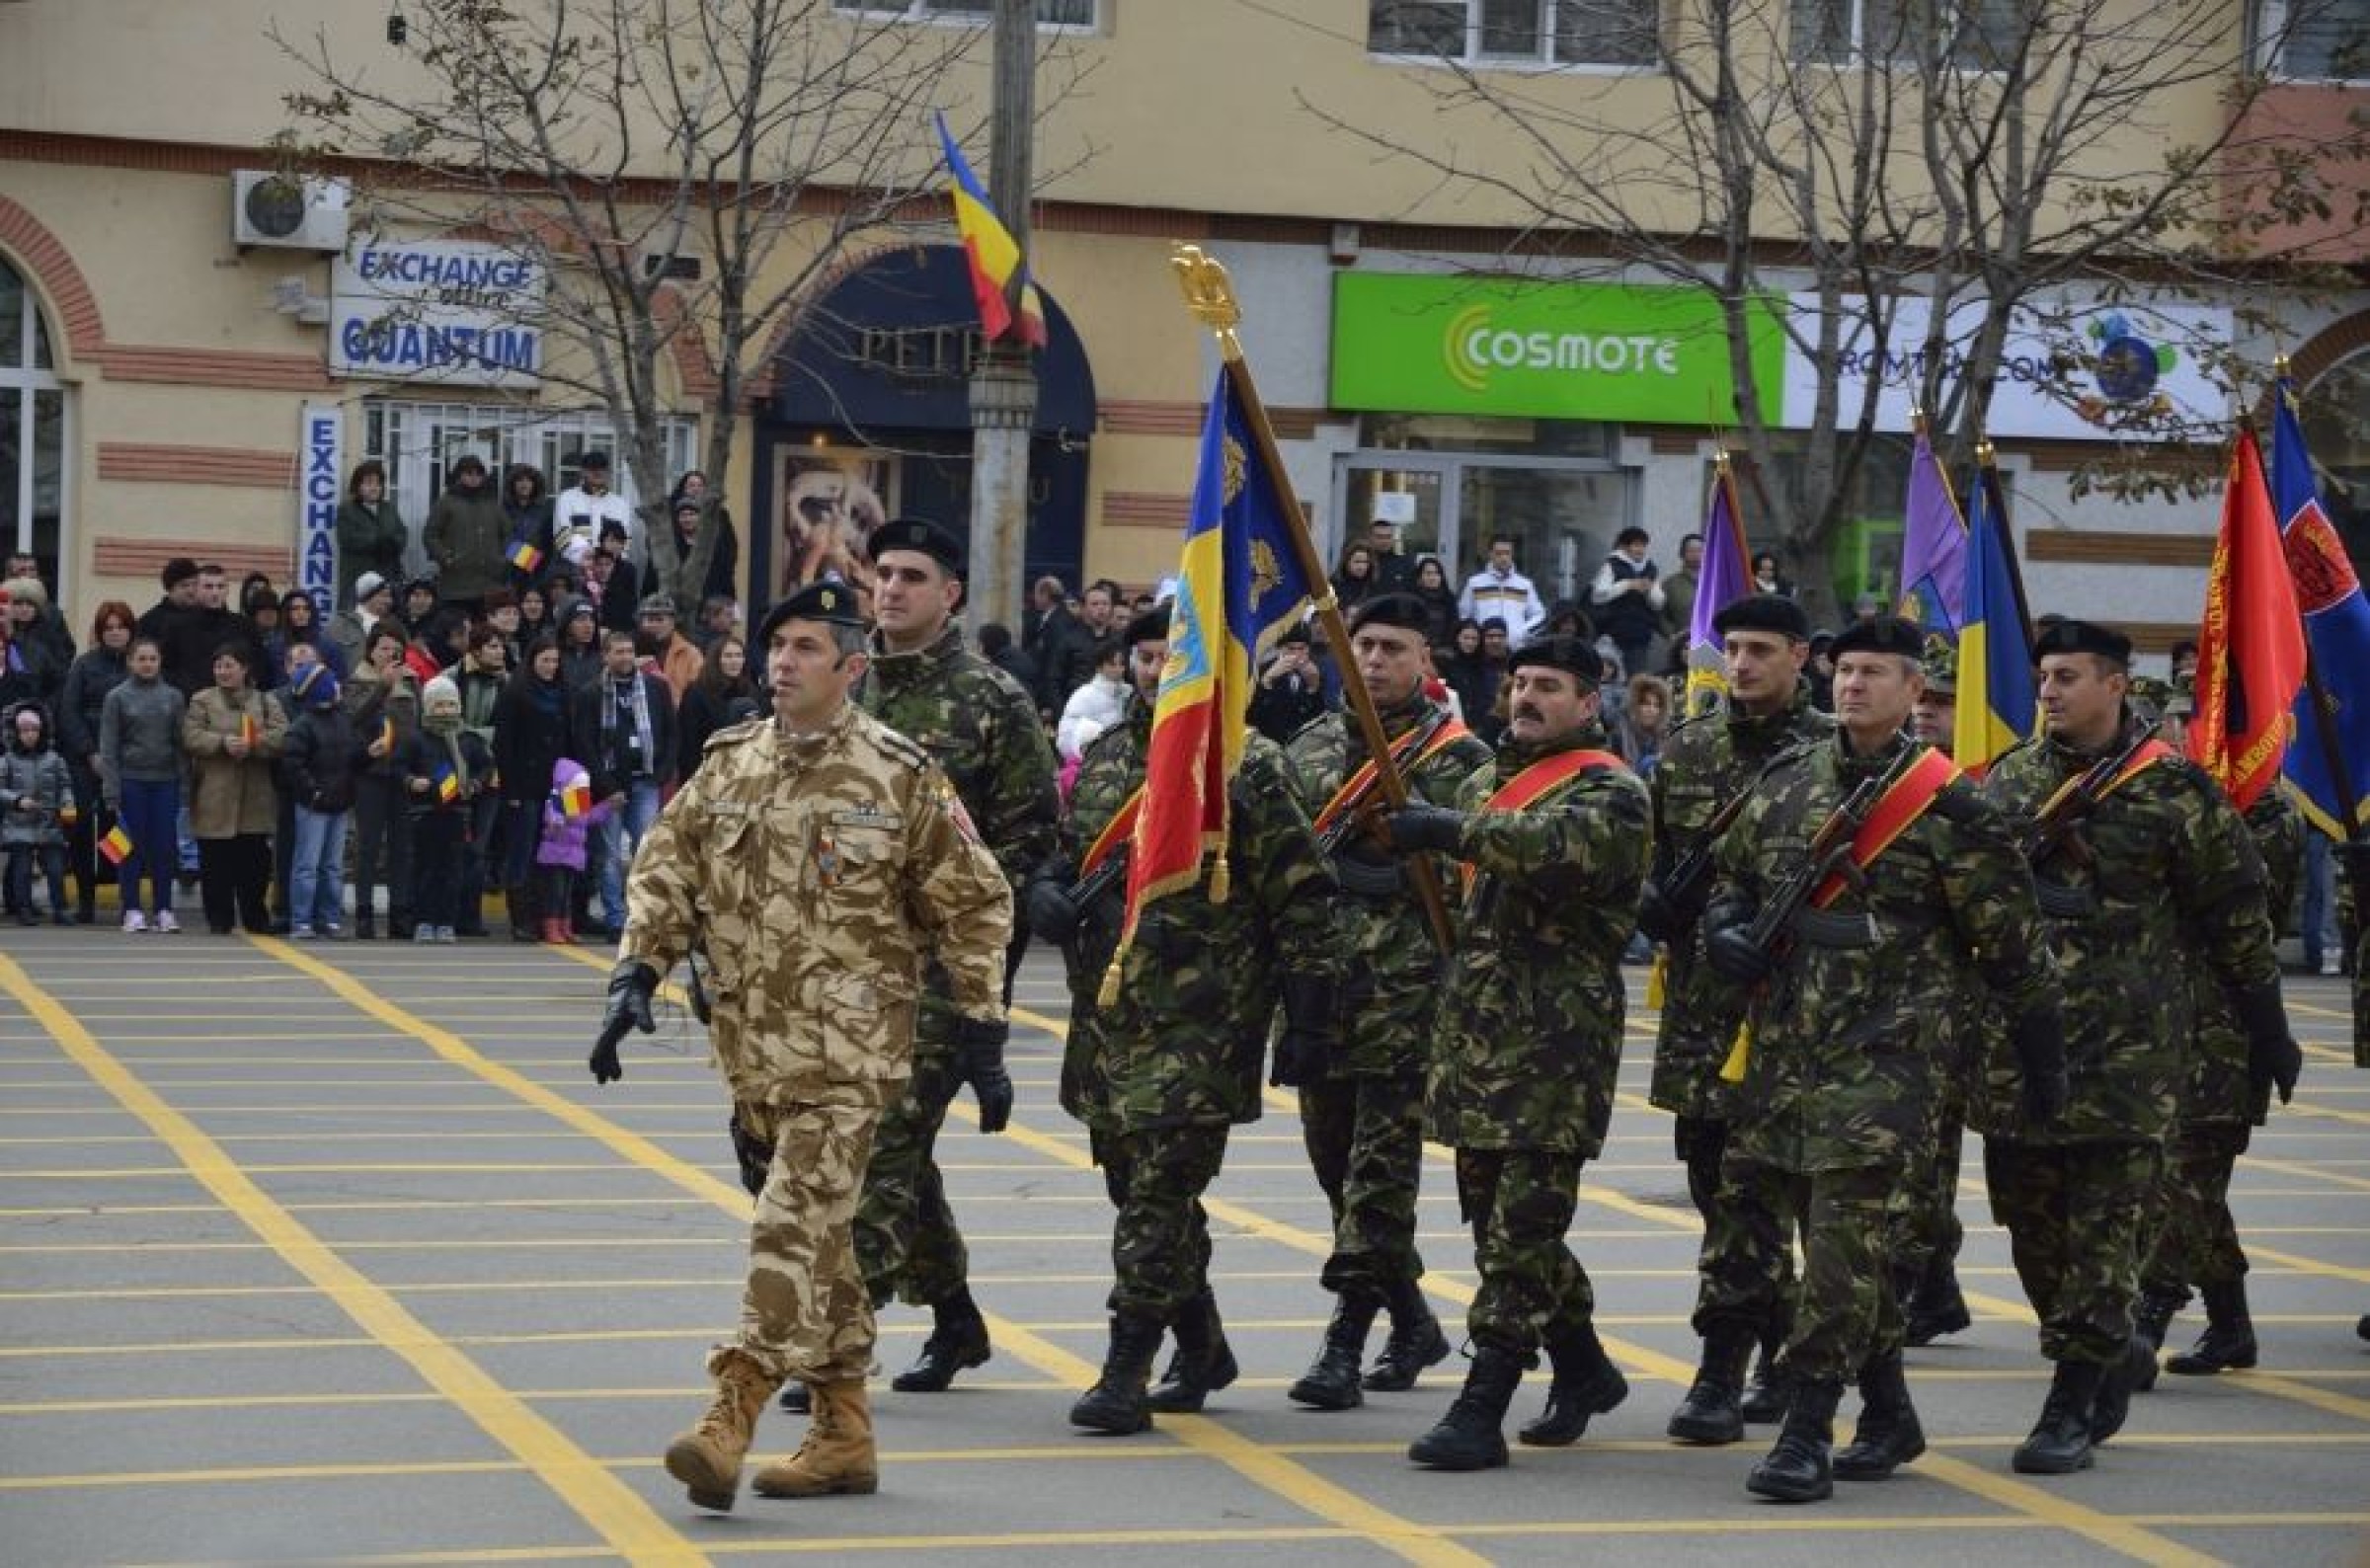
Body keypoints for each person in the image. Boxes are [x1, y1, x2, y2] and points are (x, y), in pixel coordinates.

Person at [588, 579, 1012, 1512]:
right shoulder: (730, 761)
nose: (783, 661)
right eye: (777, 645)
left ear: (851, 667)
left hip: (848, 1058)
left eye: (808, 647)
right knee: (823, 1247)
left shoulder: (899, 774)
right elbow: (668, 866)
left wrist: (984, 1027)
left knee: (788, 1228)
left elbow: (975, 899)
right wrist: (636, 973)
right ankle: (843, 1432)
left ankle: (728, 1415)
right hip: (753, 1055)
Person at [1699, 614, 2066, 1503]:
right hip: (1785, 1051)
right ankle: (1892, 1411)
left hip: (1890, 1059)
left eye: (1875, 673)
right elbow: (1732, 881)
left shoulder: (1951, 806)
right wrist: (1726, 935)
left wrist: (2043, 1066)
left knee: (1840, 1247)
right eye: (1846, 670)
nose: (1853, 685)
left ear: (1914, 692)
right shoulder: (1786, 783)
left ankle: (1804, 1428)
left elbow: (2013, 949)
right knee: (1796, 1238)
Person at [1976, 618, 2296, 1475]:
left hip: (2130, 1063)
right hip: (2020, 1062)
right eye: (2044, 675)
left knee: (2108, 1235)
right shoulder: (2008, 785)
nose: (2048, 690)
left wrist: (2268, 1030)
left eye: (2068, 676)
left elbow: (2237, 918)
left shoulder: (2175, 793)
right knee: (2032, 1234)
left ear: (2117, 685)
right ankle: (2101, 1349)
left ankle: (2071, 1402)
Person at [1024, 606, 1338, 1437]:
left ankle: (1126, 1367)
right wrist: (1047, 892)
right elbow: (1071, 851)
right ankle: (1201, 1341)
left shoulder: (1247, 765)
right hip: (1110, 1017)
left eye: (1180, 656)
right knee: (1135, 1188)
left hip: (1205, 1021)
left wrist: (1307, 1022)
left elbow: (1304, 900)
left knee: (1158, 1195)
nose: (1163, 670)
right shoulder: (1105, 758)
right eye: (1149, 656)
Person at [1374, 631, 1649, 1470]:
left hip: (1555, 1046)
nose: (1527, 698)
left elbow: (1549, 851)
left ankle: (1483, 1400)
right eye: (1521, 683)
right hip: (1479, 1039)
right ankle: (1585, 1366)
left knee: (1524, 1226)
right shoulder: (1496, 776)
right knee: (1501, 1227)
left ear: (1587, 702)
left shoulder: (1612, 791)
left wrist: (1445, 828)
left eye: (1550, 686)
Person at [831, 518, 1056, 1409]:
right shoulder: (841, 689)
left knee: (881, 1149)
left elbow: (1030, 842)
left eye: (912, 576)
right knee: (895, 1156)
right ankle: (956, 1316)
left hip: (935, 970)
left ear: (950, 593)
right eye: (882, 574)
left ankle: (840, 1343)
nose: (890, 590)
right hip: (840, 964)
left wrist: (982, 1001)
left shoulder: (992, 699)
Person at [1277, 593, 1491, 1414]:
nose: (1372, 661)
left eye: (1392, 648)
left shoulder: (1458, 758)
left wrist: (1414, 861)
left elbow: (1477, 867)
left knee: (1380, 1174)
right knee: (1335, 1167)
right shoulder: (1314, 746)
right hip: (1323, 992)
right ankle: (1410, 1318)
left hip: (1411, 999)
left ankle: (1343, 1343)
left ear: (1426, 662)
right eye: (1361, 645)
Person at [1640, 592, 1831, 1446]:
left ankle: (1748, 1364)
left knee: (1786, 1197)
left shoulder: (1836, 755)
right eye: (1733, 648)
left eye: (1760, 649)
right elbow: (1648, 858)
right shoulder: (1685, 751)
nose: (1742, 664)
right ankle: (1751, 1354)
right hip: (1705, 1013)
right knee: (1721, 1191)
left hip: (1805, 1014)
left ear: (1801, 655)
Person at [2132, 726, 2303, 1386]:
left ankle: (2147, 1314)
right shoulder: (2173, 802)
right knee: (2191, 1183)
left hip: (2226, 1023)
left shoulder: (2265, 813)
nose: (2182, 743)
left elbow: (2233, 909)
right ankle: (2231, 1321)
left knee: (2188, 1175)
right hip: (2158, 1020)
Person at [572, 628, 675, 940]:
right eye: (618, 652)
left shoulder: (657, 689)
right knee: (610, 855)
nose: (626, 657)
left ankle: (643, 916)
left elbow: (672, 734)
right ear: (605, 656)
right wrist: (605, 787)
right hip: (608, 786)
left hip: (646, 782)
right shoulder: (590, 693)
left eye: (629, 651)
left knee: (647, 851)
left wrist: (661, 775)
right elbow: (585, 743)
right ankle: (616, 918)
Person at [181, 642, 286, 935]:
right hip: (215, 794)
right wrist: (223, 743)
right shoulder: (201, 700)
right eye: (218, 666)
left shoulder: (266, 701)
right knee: (215, 864)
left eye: (229, 665)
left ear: (244, 668)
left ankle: (255, 917)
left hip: (256, 796)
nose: (223, 671)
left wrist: (255, 744)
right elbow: (191, 736)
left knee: (254, 865)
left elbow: (282, 736)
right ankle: (219, 919)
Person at [98, 637, 186, 932]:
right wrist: (111, 789)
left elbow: (180, 744)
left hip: (165, 782)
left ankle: (164, 909)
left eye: (153, 659)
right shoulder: (117, 697)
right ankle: (132, 908)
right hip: (130, 782)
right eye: (141, 659)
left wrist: (184, 784)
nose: (147, 664)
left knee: (164, 848)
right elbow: (108, 747)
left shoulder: (173, 697)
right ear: (130, 662)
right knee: (127, 848)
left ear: (160, 662)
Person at [402, 674, 497, 943]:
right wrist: (411, 780)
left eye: (451, 704)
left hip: (458, 813)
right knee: (425, 869)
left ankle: (446, 921)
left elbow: (486, 765)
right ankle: (423, 920)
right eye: (439, 705)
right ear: (429, 706)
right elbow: (399, 766)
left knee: (452, 869)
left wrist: (477, 782)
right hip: (425, 812)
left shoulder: (468, 739)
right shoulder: (417, 739)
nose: (446, 710)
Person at [57, 600, 134, 924]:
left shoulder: (139, 664)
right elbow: (68, 712)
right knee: (84, 828)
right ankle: (86, 898)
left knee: (117, 830)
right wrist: (90, 753)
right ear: (100, 632)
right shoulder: (84, 665)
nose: (115, 633)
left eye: (121, 627)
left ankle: (119, 891)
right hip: (86, 760)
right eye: (109, 628)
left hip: (127, 759)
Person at [492, 634, 572, 941]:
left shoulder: (564, 692)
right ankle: (521, 919)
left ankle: (546, 915)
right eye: (545, 661)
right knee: (523, 851)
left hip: (557, 783)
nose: (551, 667)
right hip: (523, 785)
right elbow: (504, 745)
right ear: (532, 661)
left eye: (555, 661)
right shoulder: (516, 693)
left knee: (553, 851)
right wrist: (510, 789)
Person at [276, 663, 360, 941]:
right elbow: (292, 763)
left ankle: (329, 918)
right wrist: (312, 791)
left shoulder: (342, 719)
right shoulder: (303, 725)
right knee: (307, 865)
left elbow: (352, 758)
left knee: (332, 866)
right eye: (331, 681)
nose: (337, 686)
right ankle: (301, 920)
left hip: (338, 802)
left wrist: (369, 754)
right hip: (314, 805)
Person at [347, 625, 420, 940]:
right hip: (369, 772)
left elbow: (417, 726)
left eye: (395, 649)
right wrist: (381, 688)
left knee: (401, 848)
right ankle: (364, 913)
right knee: (368, 846)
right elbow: (353, 718)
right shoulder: (356, 681)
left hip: (401, 773)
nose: (390, 655)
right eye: (384, 648)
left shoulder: (412, 683)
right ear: (371, 651)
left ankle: (399, 912)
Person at [2, 702, 74, 924]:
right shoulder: (7, 760)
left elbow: (65, 785)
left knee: (55, 869)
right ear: (15, 733)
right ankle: (23, 909)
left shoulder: (54, 759)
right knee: (21, 870)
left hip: (49, 823)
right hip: (18, 823)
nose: (30, 735)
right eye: (24, 731)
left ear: (42, 732)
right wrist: (17, 800)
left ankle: (60, 908)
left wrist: (67, 803)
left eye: (34, 730)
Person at [533, 757, 608, 945]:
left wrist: (607, 807)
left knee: (566, 894)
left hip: (572, 854)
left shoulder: (578, 798)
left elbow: (586, 818)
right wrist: (556, 823)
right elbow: (553, 815)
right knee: (555, 893)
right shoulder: (559, 796)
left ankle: (565, 928)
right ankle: (551, 928)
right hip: (556, 854)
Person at [1589, 526, 1665, 681]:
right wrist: (1627, 585)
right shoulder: (1611, 565)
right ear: (1624, 546)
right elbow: (1597, 596)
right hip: (1612, 633)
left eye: (1643, 545)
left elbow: (1658, 604)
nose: (1640, 549)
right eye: (1636, 544)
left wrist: (1650, 591)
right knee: (1608, 676)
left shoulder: (1650, 568)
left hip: (1639, 634)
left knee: (1637, 679)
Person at [676, 634, 756, 780]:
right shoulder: (697, 693)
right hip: (707, 774)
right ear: (716, 660)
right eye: (728, 656)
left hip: (744, 775)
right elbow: (688, 743)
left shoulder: (750, 691)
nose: (735, 661)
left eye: (739, 655)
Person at [336, 459, 410, 604]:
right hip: (357, 579)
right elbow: (347, 538)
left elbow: (402, 534)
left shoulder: (388, 508)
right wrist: (377, 541)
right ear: (358, 486)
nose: (374, 488)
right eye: (369, 483)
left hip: (387, 578)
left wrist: (393, 544)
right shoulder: (347, 510)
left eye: (378, 483)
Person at [666, 477, 741, 608]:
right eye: (691, 485)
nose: (696, 489)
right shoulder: (670, 526)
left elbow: (730, 550)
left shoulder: (720, 518)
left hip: (713, 589)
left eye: (700, 485)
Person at [553, 451, 635, 568]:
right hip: (575, 568)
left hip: (610, 569)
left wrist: (607, 563)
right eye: (592, 468)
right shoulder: (567, 498)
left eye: (602, 468)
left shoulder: (620, 504)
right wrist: (585, 559)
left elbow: (625, 540)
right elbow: (562, 535)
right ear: (583, 472)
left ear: (608, 472)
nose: (598, 472)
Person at [1248, 624, 1327, 745]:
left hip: (1303, 747)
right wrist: (1266, 682)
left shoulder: (1316, 672)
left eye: (1302, 648)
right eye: (1290, 648)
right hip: (1268, 746)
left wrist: (1313, 688)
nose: (1296, 654)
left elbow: (1321, 719)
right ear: (1279, 649)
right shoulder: (1260, 672)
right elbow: (1251, 718)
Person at [1457, 535, 1545, 642]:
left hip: (1515, 648)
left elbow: (1539, 615)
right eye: (1498, 553)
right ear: (1490, 554)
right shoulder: (1475, 583)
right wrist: (1476, 635)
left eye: (1507, 553)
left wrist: (1522, 632)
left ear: (1512, 554)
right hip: (1484, 649)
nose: (1503, 558)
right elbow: (1464, 616)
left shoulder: (1524, 585)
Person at [1055, 638, 1127, 765]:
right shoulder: (1084, 696)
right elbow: (1065, 739)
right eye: (1112, 664)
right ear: (1099, 667)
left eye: (1121, 664)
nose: (1119, 669)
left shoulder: (1128, 692)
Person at [636, 592, 703, 704]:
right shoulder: (629, 648)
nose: (654, 625)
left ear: (672, 622)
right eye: (649, 620)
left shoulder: (691, 653)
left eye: (659, 620)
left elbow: (696, 694)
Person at [501, 463, 555, 592]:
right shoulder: (501, 509)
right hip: (507, 575)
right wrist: (530, 559)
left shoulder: (546, 511)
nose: (524, 484)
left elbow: (549, 545)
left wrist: (540, 567)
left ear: (535, 484)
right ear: (512, 484)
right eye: (519, 480)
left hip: (537, 576)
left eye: (528, 480)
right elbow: (502, 541)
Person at [329, 572, 394, 676]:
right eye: (383, 595)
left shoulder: (393, 626)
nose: (389, 601)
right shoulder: (339, 626)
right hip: (351, 690)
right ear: (368, 596)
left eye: (389, 596)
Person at [1616, 672, 1670, 775]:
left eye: (1657, 705)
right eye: (1646, 703)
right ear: (1635, 705)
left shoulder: (1662, 734)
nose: (1651, 710)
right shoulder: (1619, 734)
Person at [1662, 533, 1705, 647]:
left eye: (1700, 550)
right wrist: (1672, 635)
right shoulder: (1670, 584)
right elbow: (1661, 615)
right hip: (1683, 645)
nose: (1696, 554)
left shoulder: (1717, 582)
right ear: (1682, 554)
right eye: (1691, 550)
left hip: (1715, 644)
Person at [1410, 555, 1460, 648]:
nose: (1433, 577)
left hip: (1444, 650)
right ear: (1420, 577)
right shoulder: (1412, 598)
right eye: (1428, 573)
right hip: (1418, 648)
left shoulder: (1450, 598)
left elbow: (1454, 625)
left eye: (1437, 573)